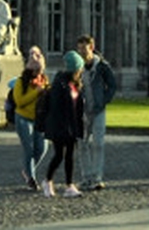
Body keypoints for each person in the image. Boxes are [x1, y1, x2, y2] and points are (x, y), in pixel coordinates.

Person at [38, 51, 86, 197]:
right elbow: (57, 108)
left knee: (70, 155)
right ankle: (48, 180)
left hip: (71, 126)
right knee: (59, 155)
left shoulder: (74, 84)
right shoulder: (60, 84)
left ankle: (69, 185)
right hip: (60, 126)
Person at [75, 33, 117, 191]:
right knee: (82, 145)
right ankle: (86, 177)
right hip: (82, 112)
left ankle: (97, 177)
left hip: (98, 110)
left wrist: (103, 100)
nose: (81, 52)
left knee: (98, 144)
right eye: (79, 49)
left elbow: (112, 86)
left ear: (91, 47)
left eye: (84, 49)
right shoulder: (77, 67)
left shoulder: (102, 66)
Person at [9, 48, 49, 191]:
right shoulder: (21, 82)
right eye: (36, 71)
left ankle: (27, 171)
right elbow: (20, 101)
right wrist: (36, 92)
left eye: (40, 71)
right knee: (29, 149)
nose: (38, 74)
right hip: (23, 118)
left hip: (39, 119)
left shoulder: (44, 81)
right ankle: (31, 179)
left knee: (42, 148)